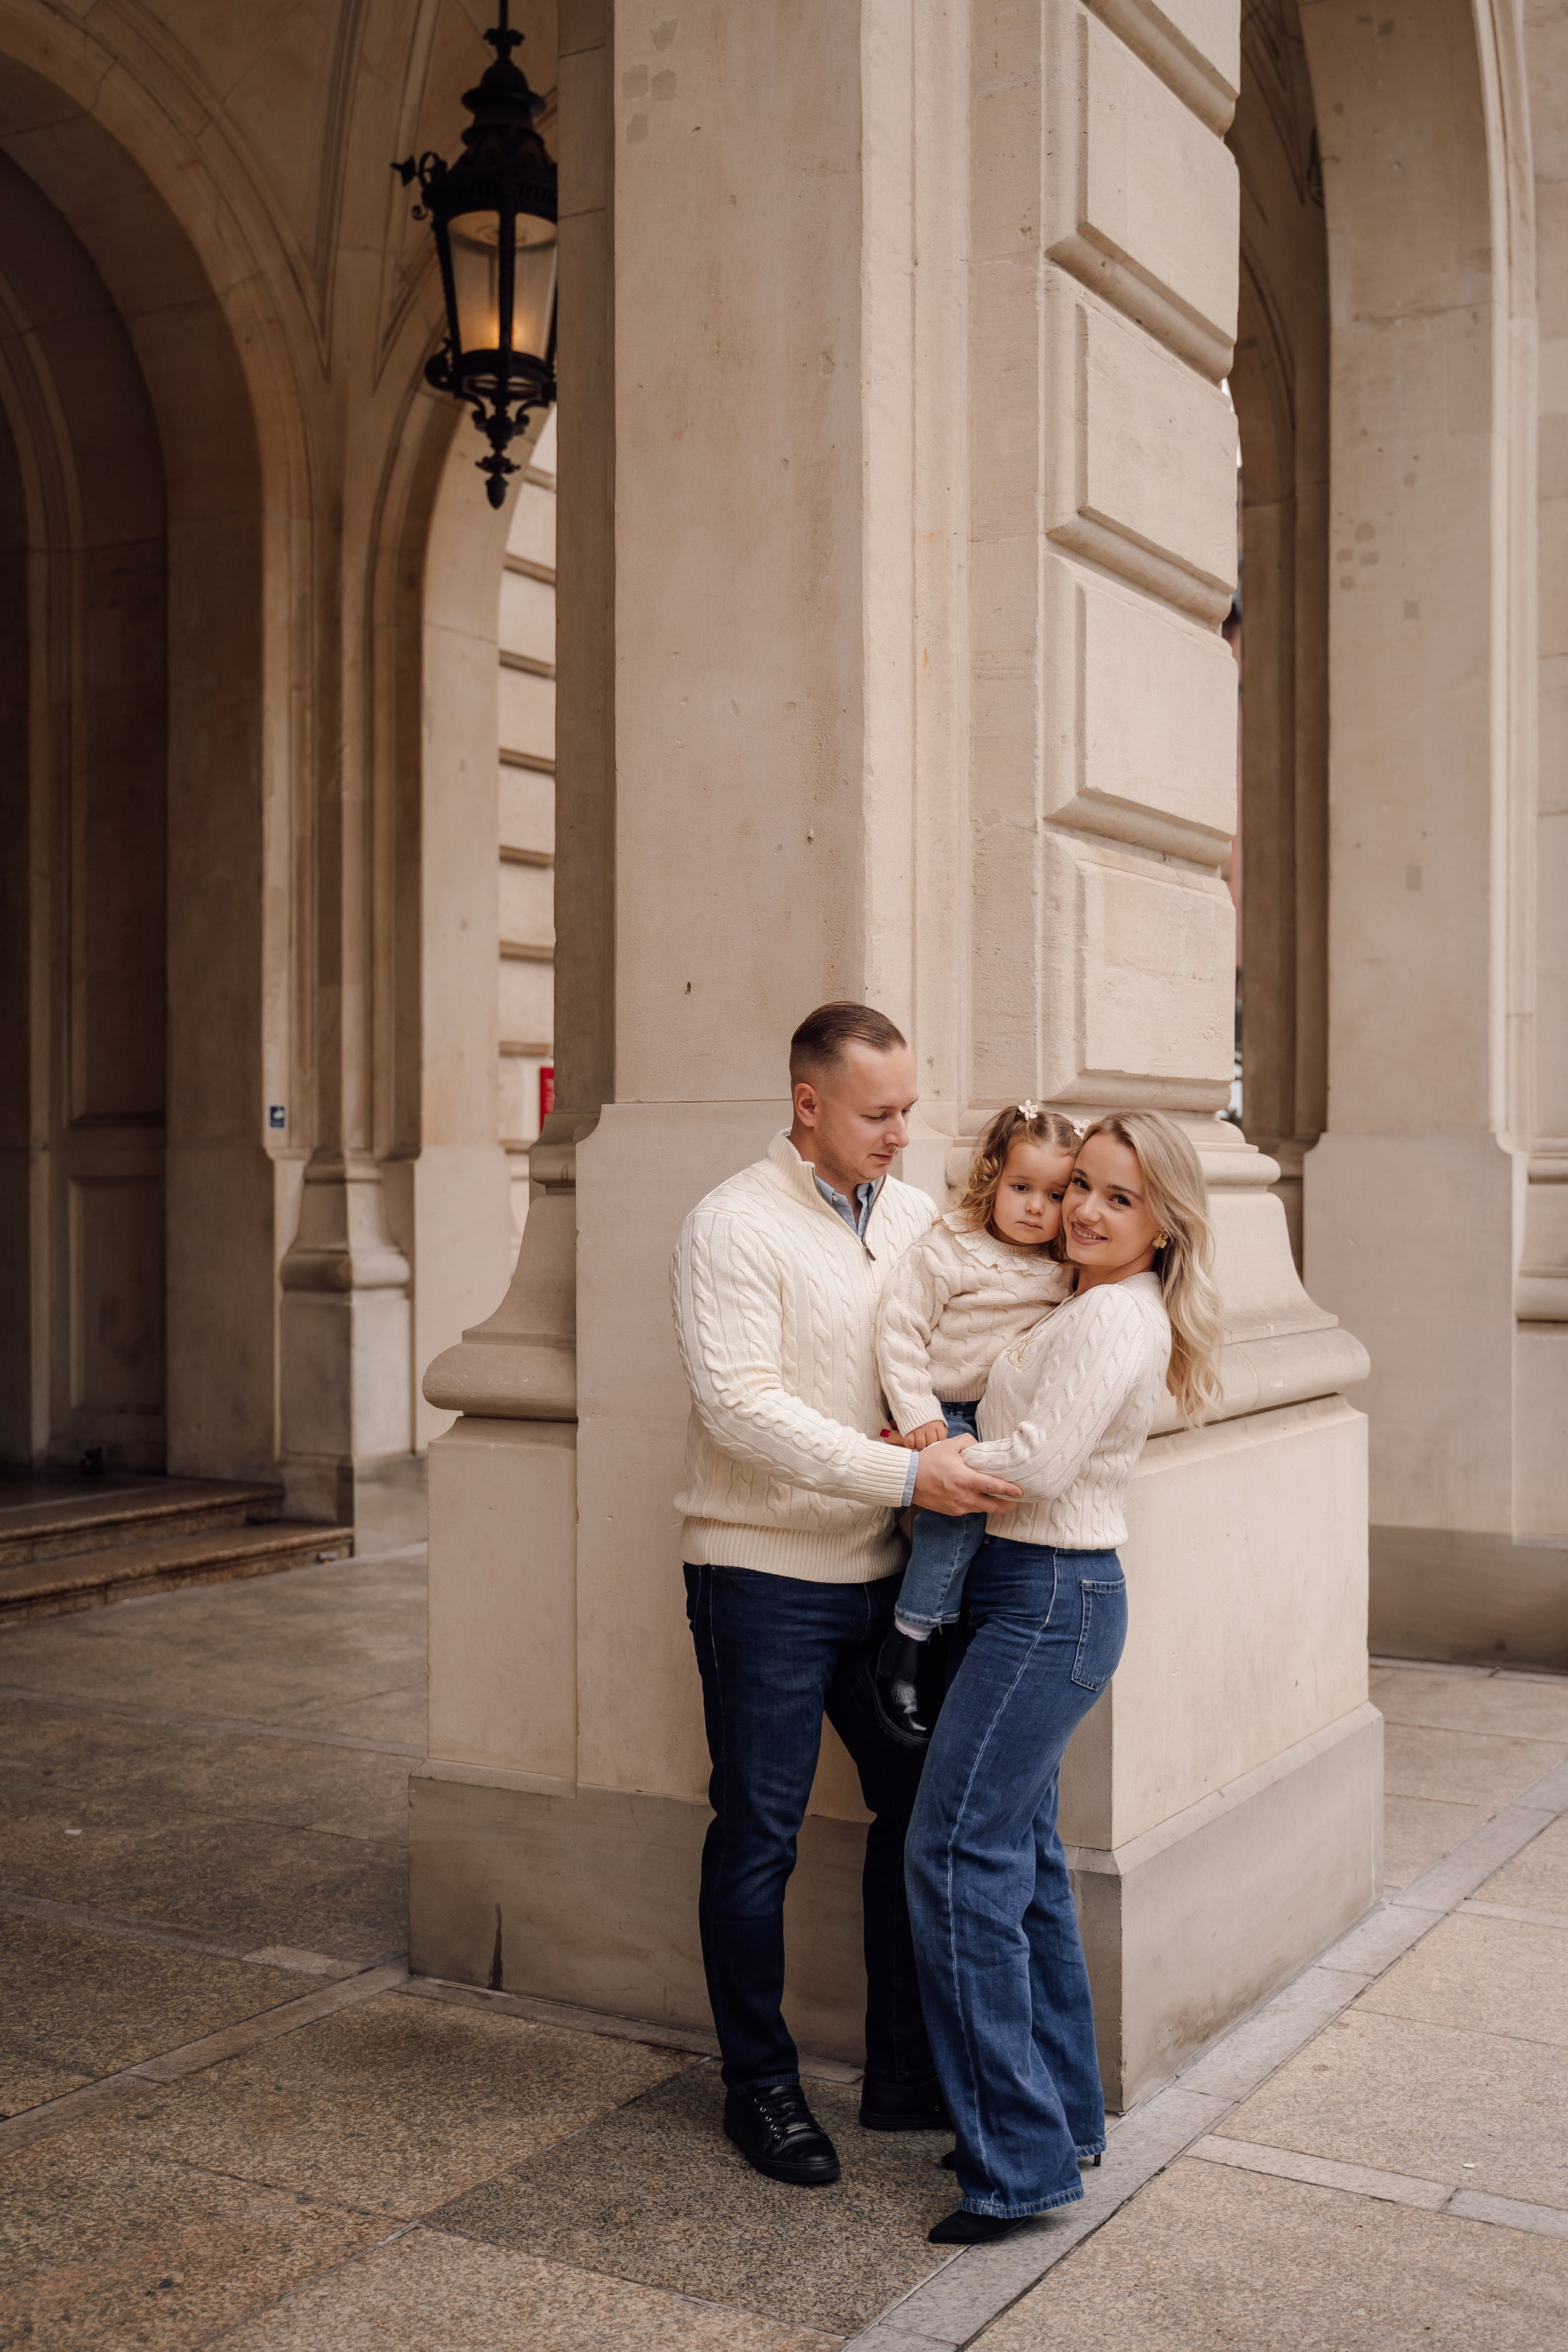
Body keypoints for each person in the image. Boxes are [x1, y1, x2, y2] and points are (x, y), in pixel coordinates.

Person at [670, 1002, 1025, 2188]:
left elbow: (950, 1336)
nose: (899, 1133)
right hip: (758, 1577)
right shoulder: (729, 1224)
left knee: (916, 1816)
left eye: (909, 1110)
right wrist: (907, 1470)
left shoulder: (915, 1213)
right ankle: (759, 2090)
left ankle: (901, 2073)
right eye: (877, 1114)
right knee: (757, 1835)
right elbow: (739, 1406)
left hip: (889, 1582)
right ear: (805, 1104)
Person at [904, 1110, 1225, 2244]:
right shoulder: (1087, 1302)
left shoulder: (1112, 1322)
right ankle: (1061, 2119)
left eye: (1119, 1198)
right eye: (1082, 1183)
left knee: (953, 1858)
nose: (1085, 1209)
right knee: (1024, 1863)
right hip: (1033, 1594)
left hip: (1050, 1597)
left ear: (1163, 1226)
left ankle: (1019, 2165)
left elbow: (1036, 1467)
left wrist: (923, 1461)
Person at [870, 1103, 1080, 1740]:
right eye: (1021, 1188)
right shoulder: (949, 1248)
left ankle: (947, 1640)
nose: (1035, 1208)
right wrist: (917, 1414)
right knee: (958, 1517)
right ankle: (906, 1646)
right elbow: (899, 1330)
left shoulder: (1064, 1268)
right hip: (949, 1415)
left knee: (1000, 1543)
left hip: (1013, 1420)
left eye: (1054, 1194)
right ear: (992, 1177)